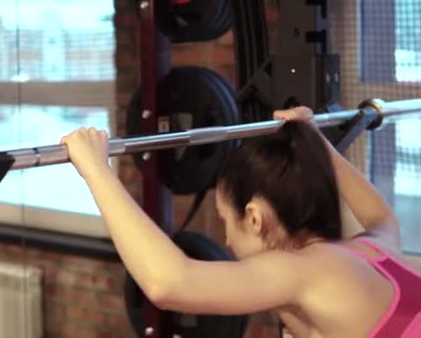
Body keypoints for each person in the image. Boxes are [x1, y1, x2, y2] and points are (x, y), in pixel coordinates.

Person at [60, 107, 421, 338]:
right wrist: (313, 140)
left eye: (226, 222)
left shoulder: (307, 271)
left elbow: (168, 283)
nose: (227, 241)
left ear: (254, 217)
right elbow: (380, 215)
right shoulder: (375, 247)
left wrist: (94, 168)